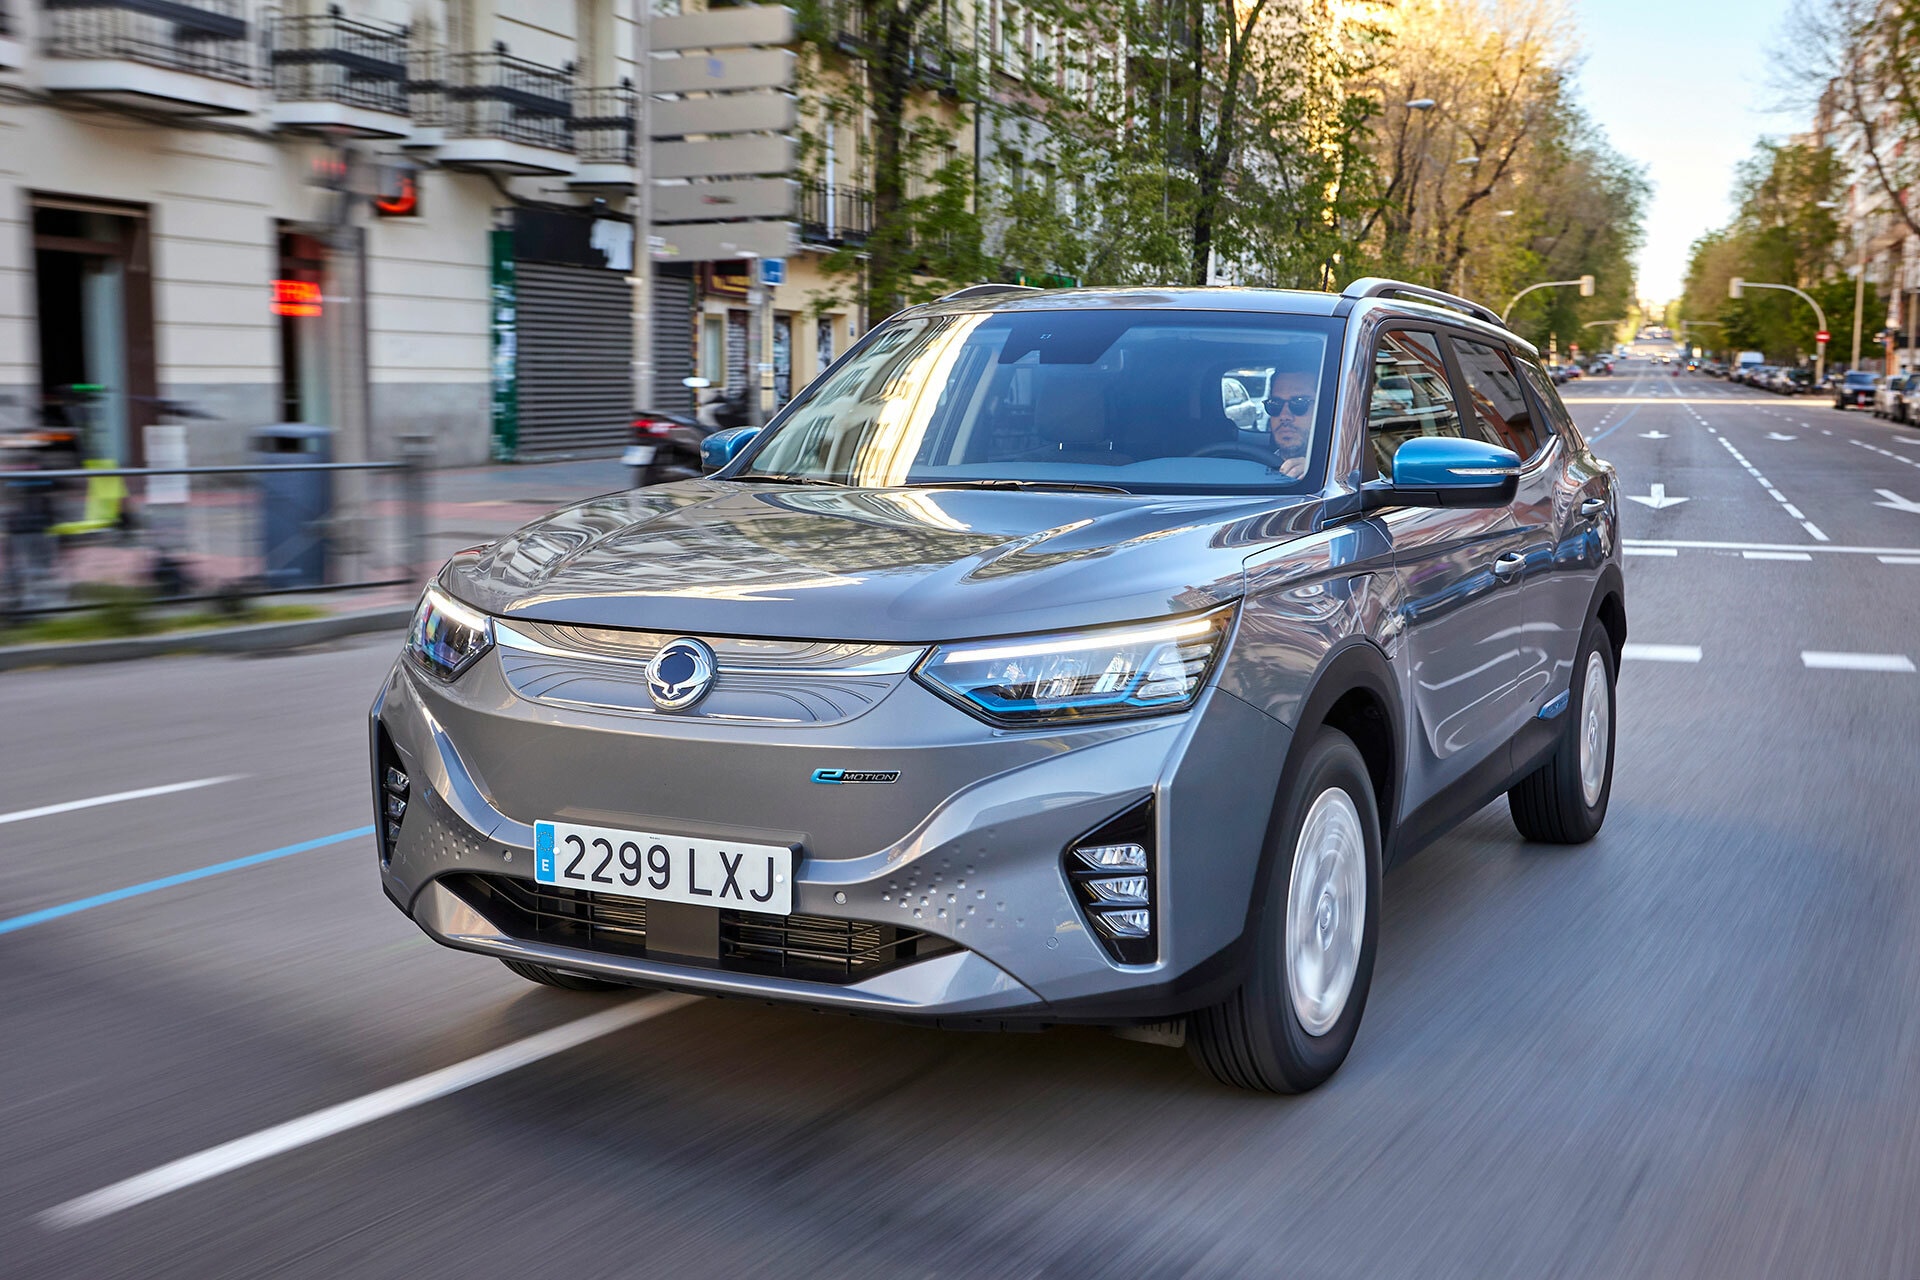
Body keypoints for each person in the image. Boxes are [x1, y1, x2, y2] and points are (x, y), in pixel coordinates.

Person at [1261, 367, 1318, 479]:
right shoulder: (1253, 469)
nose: (1284, 416)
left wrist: (1315, 471)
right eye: (1275, 404)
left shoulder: (1337, 476)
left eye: (1299, 403)